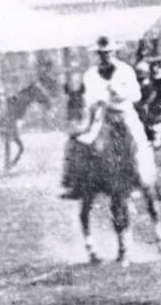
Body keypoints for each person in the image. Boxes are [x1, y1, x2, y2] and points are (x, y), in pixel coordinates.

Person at [60, 36, 155, 199]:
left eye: (108, 52)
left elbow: (136, 95)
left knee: (139, 143)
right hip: (102, 115)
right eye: (102, 53)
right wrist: (96, 101)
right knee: (79, 141)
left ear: (114, 52)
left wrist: (120, 93)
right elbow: (88, 97)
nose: (105, 56)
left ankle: (141, 179)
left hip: (124, 113)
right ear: (98, 54)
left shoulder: (125, 70)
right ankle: (74, 182)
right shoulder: (90, 74)